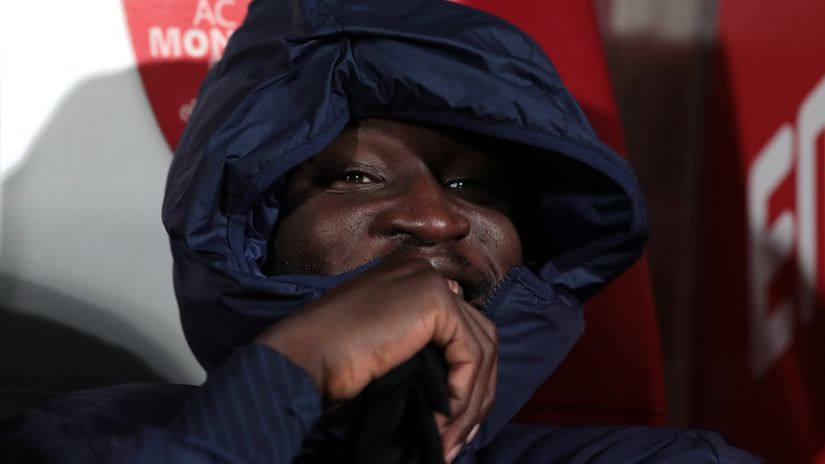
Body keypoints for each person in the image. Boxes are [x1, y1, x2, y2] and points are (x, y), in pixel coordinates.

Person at [1, 0, 760, 462]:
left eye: (475, 186)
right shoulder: (81, 441)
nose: (436, 217)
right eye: (356, 177)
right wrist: (299, 369)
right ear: (247, 236)